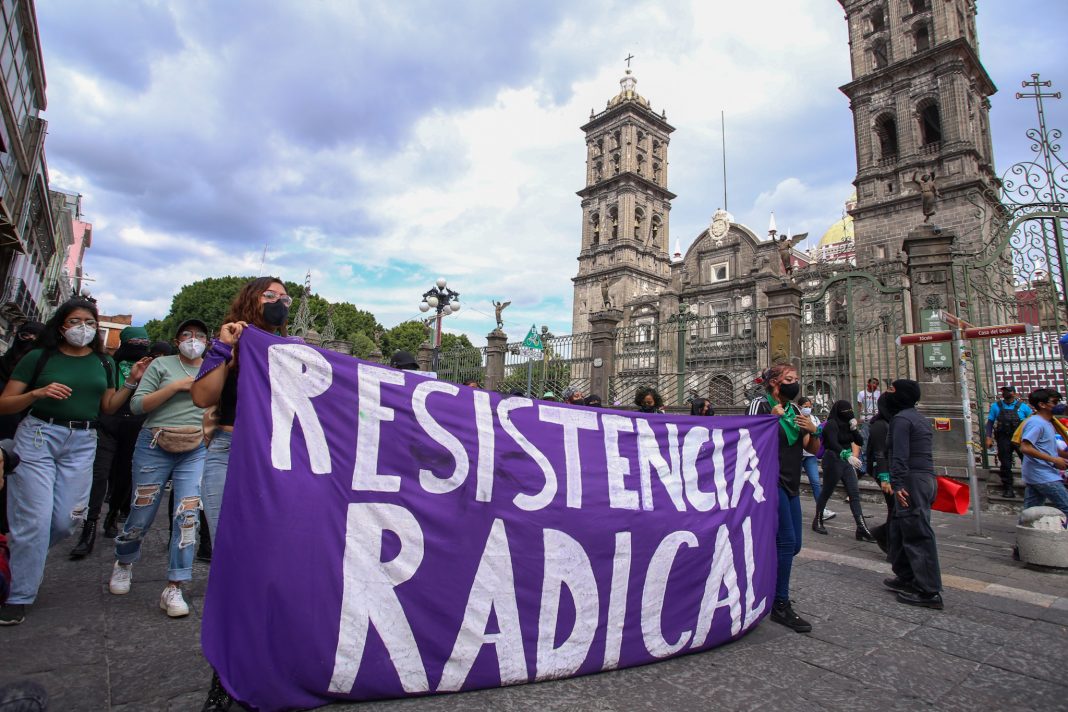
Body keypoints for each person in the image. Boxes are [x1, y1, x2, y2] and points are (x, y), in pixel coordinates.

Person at [0, 298, 150, 626]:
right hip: (39, 436)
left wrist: (131, 381)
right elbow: (5, 404)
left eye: (89, 322)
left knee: (67, 521)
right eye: (75, 321)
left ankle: (21, 549)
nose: (83, 328)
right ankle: (19, 596)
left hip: (82, 441)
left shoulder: (103, 363)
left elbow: (108, 406)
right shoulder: (39, 358)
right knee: (35, 520)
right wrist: (35, 395)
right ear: (62, 325)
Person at [190, 277, 291, 710]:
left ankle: (268, 660)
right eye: (270, 296)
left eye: (285, 297)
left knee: (272, 562)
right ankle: (226, 677)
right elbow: (202, 396)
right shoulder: (231, 342)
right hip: (230, 453)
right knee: (234, 561)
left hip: (275, 459)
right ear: (251, 300)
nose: (279, 302)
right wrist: (223, 349)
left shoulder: (292, 350)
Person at [108, 319, 209, 618]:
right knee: (142, 511)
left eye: (200, 335)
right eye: (188, 335)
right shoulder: (161, 365)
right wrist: (177, 387)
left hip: (195, 447)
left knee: (188, 514)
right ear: (177, 339)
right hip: (155, 443)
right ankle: (124, 562)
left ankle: (175, 585)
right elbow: (139, 406)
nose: (194, 340)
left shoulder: (214, 368)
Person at [748, 363, 819, 632]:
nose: (795, 383)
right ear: (774, 383)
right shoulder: (760, 405)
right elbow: (749, 438)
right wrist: (772, 420)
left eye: (796, 379)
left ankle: (765, 582)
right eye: (789, 379)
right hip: (769, 481)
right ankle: (779, 603)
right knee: (786, 541)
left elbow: (811, 448)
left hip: (791, 482)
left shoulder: (796, 409)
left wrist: (813, 430)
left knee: (795, 545)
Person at [71, 326, 152, 558]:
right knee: (100, 474)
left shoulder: (152, 367)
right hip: (107, 424)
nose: (138, 345)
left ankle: (113, 513)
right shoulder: (108, 365)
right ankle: (90, 525)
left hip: (136, 426)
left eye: (142, 341)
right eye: (133, 341)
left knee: (126, 476)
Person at [882, 379, 943, 610]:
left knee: (917, 533)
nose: (887, 394)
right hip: (924, 479)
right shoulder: (918, 418)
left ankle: (929, 591)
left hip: (911, 480)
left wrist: (897, 484)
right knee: (899, 529)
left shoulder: (901, 420)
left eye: (891, 389)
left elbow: (900, 455)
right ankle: (906, 576)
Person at [0, 322, 43, 534]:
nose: (30, 342)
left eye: (37, 339)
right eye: (26, 335)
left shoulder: (42, 375)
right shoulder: (2, 365)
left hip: (28, 440)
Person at [812, 400, 875, 542]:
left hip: (847, 461)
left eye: (849, 410)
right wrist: (846, 455)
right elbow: (832, 442)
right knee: (827, 491)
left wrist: (854, 429)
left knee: (854, 493)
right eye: (845, 411)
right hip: (833, 459)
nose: (848, 413)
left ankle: (861, 528)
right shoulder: (831, 424)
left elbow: (859, 441)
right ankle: (818, 519)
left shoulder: (848, 424)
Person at [1018, 388, 1068, 518]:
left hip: (1039, 473)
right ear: (1042, 405)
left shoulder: (1048, 423)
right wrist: (1054, 460)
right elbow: (1026, 447)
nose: (1058, 405)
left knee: (1031, 512)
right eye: (1055, 402)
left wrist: (1061, 455)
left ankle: (1026, 534)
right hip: (1043, 474)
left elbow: (1045, 446)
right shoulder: (1036, 423)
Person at [986, 385, 1032, 498]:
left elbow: (1031, 422)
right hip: (1003, 437)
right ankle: (1008, 488)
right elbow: (990, 422)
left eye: (1008, 391)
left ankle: (1031, 487)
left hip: (1020, 438)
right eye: (1003, 391)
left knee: (1027, 462)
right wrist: (988, 437)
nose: (1005, 393)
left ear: (1014, 393)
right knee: (1005, 464)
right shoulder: (996, 406)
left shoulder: (1023, 407)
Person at [865, 393, 897, 553]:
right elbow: (879, 452)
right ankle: (889, 542)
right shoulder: (879, 424)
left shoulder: (894, 422)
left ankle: (883, 534)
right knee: (895, 508)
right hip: (883, 472)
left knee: (896, 509)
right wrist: (885, 477)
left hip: (893, 470)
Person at [797, 396, 835, 522]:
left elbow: (818, 434)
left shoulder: (814, 419)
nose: (808, 408)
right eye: (805, 406)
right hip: (797, 455)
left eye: (809, 406)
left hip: (810, 456)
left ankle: (822, 509)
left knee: (815, 482)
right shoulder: (796, 417)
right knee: (793, 483)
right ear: (799, 406)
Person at [856, 377, 880, 472]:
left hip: (876, 419)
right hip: (865, 419)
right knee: (865, 441)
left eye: (876, 384)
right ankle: (864, 464)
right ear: (868, 383)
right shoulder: (861, 393)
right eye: (873, 383)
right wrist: (859, 418)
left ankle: (875, 462)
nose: (874, 385)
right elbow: (860, 407)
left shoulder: (879, 394)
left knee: (876, 440)